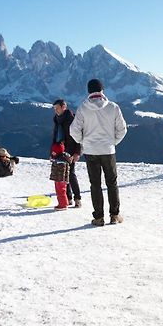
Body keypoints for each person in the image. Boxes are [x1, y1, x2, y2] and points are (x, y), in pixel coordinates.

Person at [70, 79, 127, 226]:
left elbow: (73, 130)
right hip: (108, 150)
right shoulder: (113, 107)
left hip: (90, 151)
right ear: (102, 90)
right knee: (112, 183)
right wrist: (113, 141)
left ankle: (98, 217)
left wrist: (83, 141)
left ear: (89, 91)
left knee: (95, 184)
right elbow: (122, 129)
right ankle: (114, 215)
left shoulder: (83, 108)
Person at [52, 99, 82, 208]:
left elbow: (79, 137)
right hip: (60, 150)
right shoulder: (57, 119)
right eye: (54, 109)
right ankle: (68, 198)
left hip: (71, 150)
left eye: (57, 108)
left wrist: (77, 152)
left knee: (71, 173)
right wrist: (53, 152)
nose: (56, 111)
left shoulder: (72, 119)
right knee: (63, 174)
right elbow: (55, 137)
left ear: (63, 107)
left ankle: (77, 198)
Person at [49, 142, 71, 211]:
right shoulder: (60, 158)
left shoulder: (61, 161)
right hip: (59, 178)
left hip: (60, 179)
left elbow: (62, 172)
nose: (52, 153)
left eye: (54, 152)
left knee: (61, 191)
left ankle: (63, 204)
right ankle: (64, 203)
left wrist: (61, 180)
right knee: (61, 191)